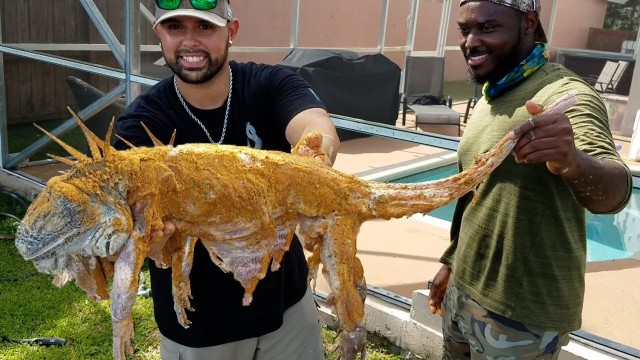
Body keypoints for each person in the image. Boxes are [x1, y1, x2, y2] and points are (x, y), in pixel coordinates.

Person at [113, 1, 339, 359]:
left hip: (288, 308)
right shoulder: (141, 123)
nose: (189, 41)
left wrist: (315, 157)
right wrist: (149, 242)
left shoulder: (269, 83)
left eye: (205, 28)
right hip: (199, 329)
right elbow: (128, 213)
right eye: (175, 28)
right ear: (159, 33)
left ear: (230, 31)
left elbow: (315, 125)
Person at [427, 1, 632, 359]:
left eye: (488, 28)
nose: (470, 42)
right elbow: (475, 194)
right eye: (464, 30)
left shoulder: (565, 97)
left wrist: (572, 161)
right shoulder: (496, 94)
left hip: (519, 316)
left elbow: (614, 195)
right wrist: (450, 263)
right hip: (464, 289)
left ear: (528, 23)